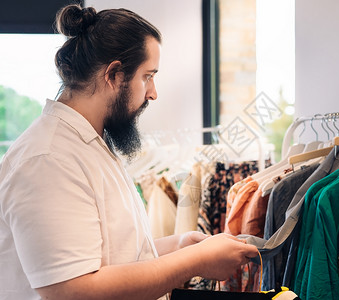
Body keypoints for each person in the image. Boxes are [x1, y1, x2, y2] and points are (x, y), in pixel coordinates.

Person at [0, 4, 258, 300]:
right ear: (114, 74)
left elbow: (106, 258)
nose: (153, 93)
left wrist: (180, 245)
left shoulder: (88, 144)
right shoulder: (48, 160)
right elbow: (74, 290)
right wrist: (194, 262)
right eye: (148, 76)